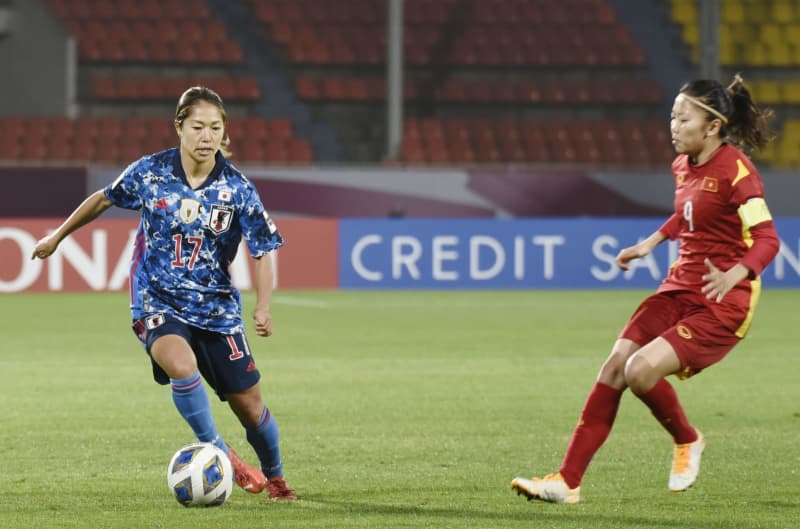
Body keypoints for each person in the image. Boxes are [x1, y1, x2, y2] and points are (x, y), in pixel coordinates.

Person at [511, 75, 780, 504]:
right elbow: (688, 213)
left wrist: (735, 274)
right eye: (672, 116)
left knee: (640, 371)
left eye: (683, 118)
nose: (674, 126)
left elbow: (767, 239)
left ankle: (687, 439)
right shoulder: (682, 165)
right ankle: (567, 482)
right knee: (615, 367)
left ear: (712, 126)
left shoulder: (738, 172)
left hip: (720, 302)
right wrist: (651, 242)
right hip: (678, 287)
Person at [32, 86, 296, 501]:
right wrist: (58, 236)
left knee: (250, 407)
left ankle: (276, 478)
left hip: (216, 309)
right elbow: (103, 199)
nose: (207, 136)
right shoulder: (150, 173)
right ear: (179, 127)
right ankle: (219, 452)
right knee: (181, 365)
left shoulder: (238, 189)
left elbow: (262, 250)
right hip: (157, 300)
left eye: (215, 128)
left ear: (224, 131)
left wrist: (263, 306)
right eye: (198, 127)